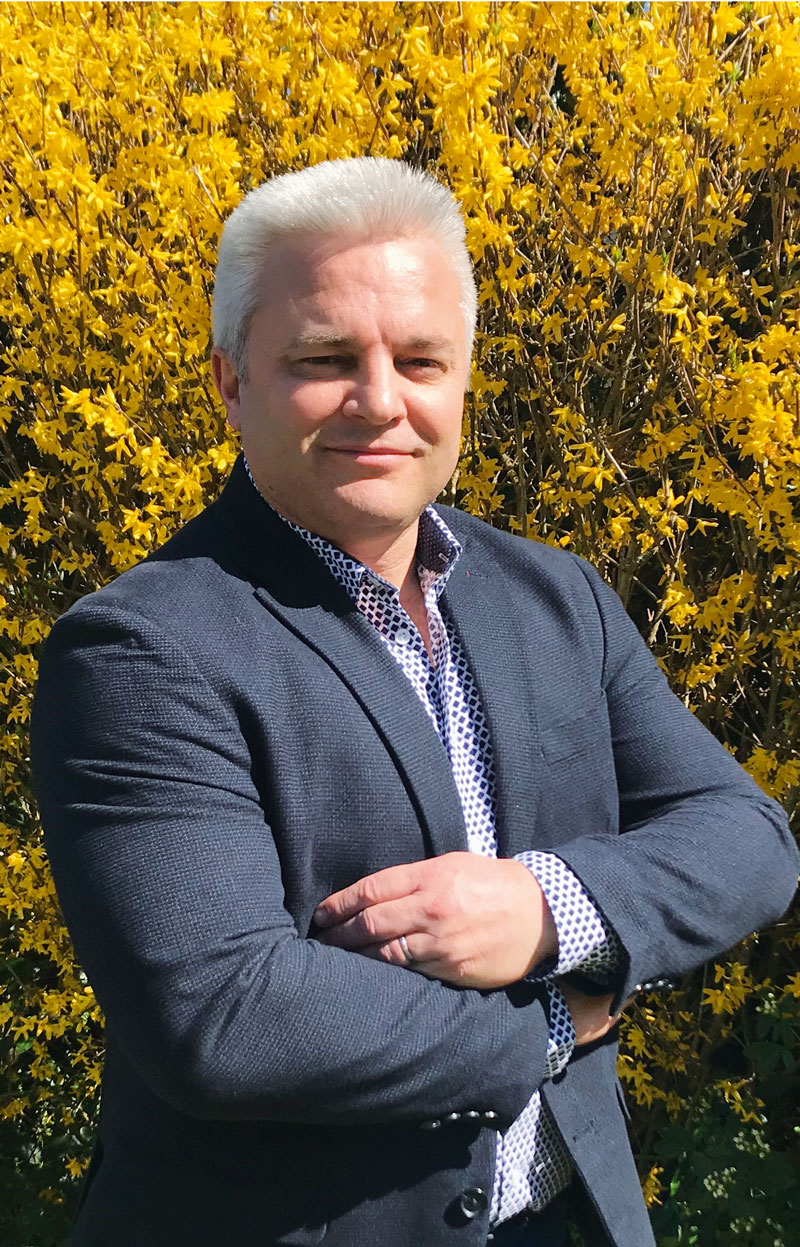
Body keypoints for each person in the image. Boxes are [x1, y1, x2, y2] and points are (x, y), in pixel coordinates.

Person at [31, 158, 797, 1247]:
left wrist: (545, 906)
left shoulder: (556, 597)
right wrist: (549, 1021)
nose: (381, 401)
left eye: (421, 360)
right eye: (325, 359)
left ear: (462, 380)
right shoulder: (142, 649)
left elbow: (746, 836)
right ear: (228, 381)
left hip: (563, 1217)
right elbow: (224, 1012)